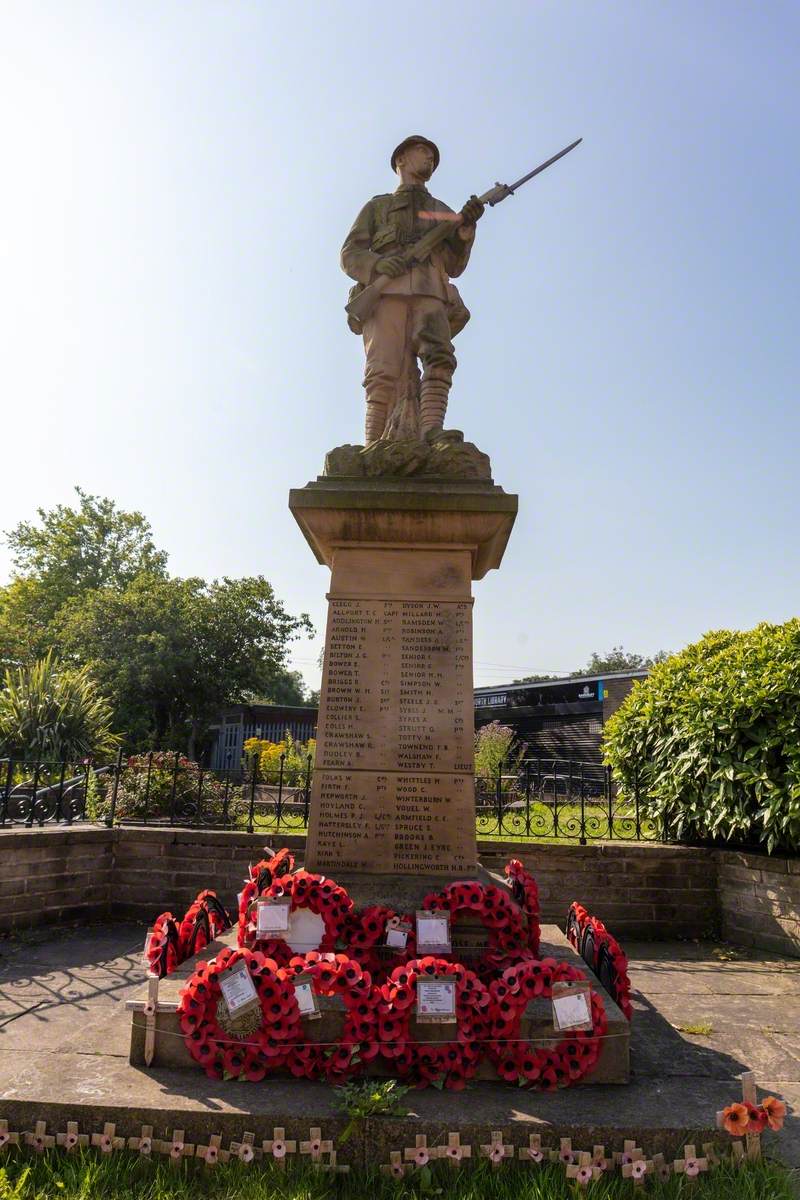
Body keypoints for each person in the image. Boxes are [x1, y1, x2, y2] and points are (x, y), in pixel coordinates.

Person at [341, 136, 484, 444]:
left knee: (439, 355)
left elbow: (454, 266)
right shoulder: (378, 208)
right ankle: (373, 442)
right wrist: (378, 265)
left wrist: (464, 233)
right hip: (387, 294)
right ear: (401, 159)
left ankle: (432, 429)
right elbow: (349, 255)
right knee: (381, 370)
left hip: (429, 290)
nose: (429, 159)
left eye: (433, 156)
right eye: (423, 152)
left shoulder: (440, 210)